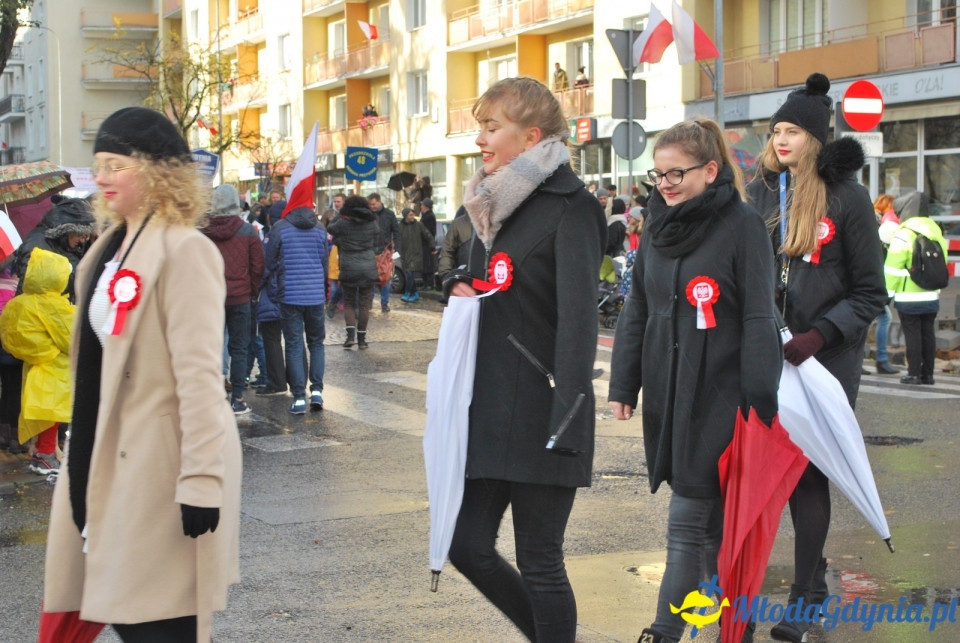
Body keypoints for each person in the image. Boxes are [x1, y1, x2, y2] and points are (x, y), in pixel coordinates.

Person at [41, 107, 242, 642]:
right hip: (106, 459)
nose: (102, 178)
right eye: (99, 166)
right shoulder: (107, 247)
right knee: (129, 612)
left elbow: (201, 378)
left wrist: (201, 480)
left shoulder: (186, 250)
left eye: (116, 166)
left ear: (158, 173)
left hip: (161, 470)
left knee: (155, 621)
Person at [443, 77, 605, 642]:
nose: (480, 139)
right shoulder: (491, 202)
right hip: (489, 406)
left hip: (544, 407)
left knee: (540, 560)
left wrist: (570, 413)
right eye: (480, 127)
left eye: (492, 128)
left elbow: (579, 320)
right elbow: (489, 282)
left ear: (531, 136)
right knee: (466, 546)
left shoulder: (573, 208)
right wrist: (457, 282)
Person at [608, 119, 781, 643]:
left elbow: (758, 315)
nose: (664, 184)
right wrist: (624, 385)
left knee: (687, 519)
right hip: (669, 390)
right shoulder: (657, 225)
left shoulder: (743, 224)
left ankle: (664, 631)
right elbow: (638, 307)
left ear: (709, 170)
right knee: (709, 525)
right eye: (657, 175)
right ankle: (736, 624)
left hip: (723, 393)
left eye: (675, 174)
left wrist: (761, 402)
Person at [745, 73, 887, 643]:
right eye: (776, 130)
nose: (781, 140)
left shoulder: (847, 198)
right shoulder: (759, 191)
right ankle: (809, 578)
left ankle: (804, 597)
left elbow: (870, 293)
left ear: (816, 138)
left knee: (807, 476)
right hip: (767, 355)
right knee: (771, 473)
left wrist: (819, 335)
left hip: (824, 360)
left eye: (794, 131)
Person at [0, 248, 76, 475]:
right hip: (55, 368)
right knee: (52, 414)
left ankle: (40, 451)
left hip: (33, 366)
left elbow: (9, 334)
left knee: (42, 412)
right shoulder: (54, 305)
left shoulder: (20, 302)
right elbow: (71, 338)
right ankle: (45, 455)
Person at [201, 184, 265, 415]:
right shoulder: (248, 231)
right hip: (240, 298)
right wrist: (251, 291)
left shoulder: (202, 232)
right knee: (239, 348)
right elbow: (258, 266)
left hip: (211, 297)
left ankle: (212, 396)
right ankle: (237, 398)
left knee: (210, 347)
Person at [264, 201, 328, 414]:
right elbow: (323, 261)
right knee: (316, 343)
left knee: (293, 344)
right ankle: (317, 391)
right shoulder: (319, 228)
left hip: (290, 295)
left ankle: (299, 397)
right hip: (315, 295)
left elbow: (270, 261)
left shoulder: (280, 228)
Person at [885, 190, 947, 385]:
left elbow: (892, 269)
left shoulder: (903, 235)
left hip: (908, 297)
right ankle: (928, 375)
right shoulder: (937, 233)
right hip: (931, 295)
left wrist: (886, 295)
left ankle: (913, 373)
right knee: (928, 334)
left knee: (913, 336)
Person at [12, 194, 97, 302]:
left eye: (87, 235)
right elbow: (37, 285)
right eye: (81, 234)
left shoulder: (69, 243)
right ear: (67, 229)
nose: (83, 240)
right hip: (38, 309)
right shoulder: (37, 243)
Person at [327, 195, 381, 349]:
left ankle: (350, 337)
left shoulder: (343, 222)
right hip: (368, 265)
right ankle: (362, 340)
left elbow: (330, 228)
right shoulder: (371, 221)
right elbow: (377, 233)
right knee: (364, 304)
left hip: (349, 266)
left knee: (349, 302)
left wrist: (340, 214)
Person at [872, 193, 900, 375]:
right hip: (872, 283)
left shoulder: (878, 223)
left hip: (872, 282)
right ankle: (880, 360)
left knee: (880, 318)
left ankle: (877, 359)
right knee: (881, 318)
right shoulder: (880, 225)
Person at [369, 192, 400, 312]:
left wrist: (397, 250)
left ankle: (384, 304)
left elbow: (396, 232)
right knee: (370, 279)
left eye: (374, 204)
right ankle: (369, 303)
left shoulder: (389, 214)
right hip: (370, 251)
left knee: (386, 278)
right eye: (370, 204)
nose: (372, 206)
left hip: (385, 251)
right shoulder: (367, 215)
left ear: (379, 202)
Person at [398, 206, 435, 303]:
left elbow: (428, 235)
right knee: (409, 274)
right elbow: (397, 239)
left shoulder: (419, 225)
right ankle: (415, 293)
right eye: (410, 215)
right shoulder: (400, 226)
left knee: (410, 273)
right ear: (405, 216)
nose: (412, 217)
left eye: (413, 215)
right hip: (405, 254)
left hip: (416, 254)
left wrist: (432, 246)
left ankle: (407, 293)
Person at [419, 197, 438, 289]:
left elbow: (428, 232)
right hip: (424, 244)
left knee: (427, 265)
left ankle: (428, 284)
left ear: (426, 206)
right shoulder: (425, 216)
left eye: (422, 205)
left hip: (427, 245)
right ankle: (426, 284)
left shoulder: (429, 217)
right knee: (425, 265)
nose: (421, 207)